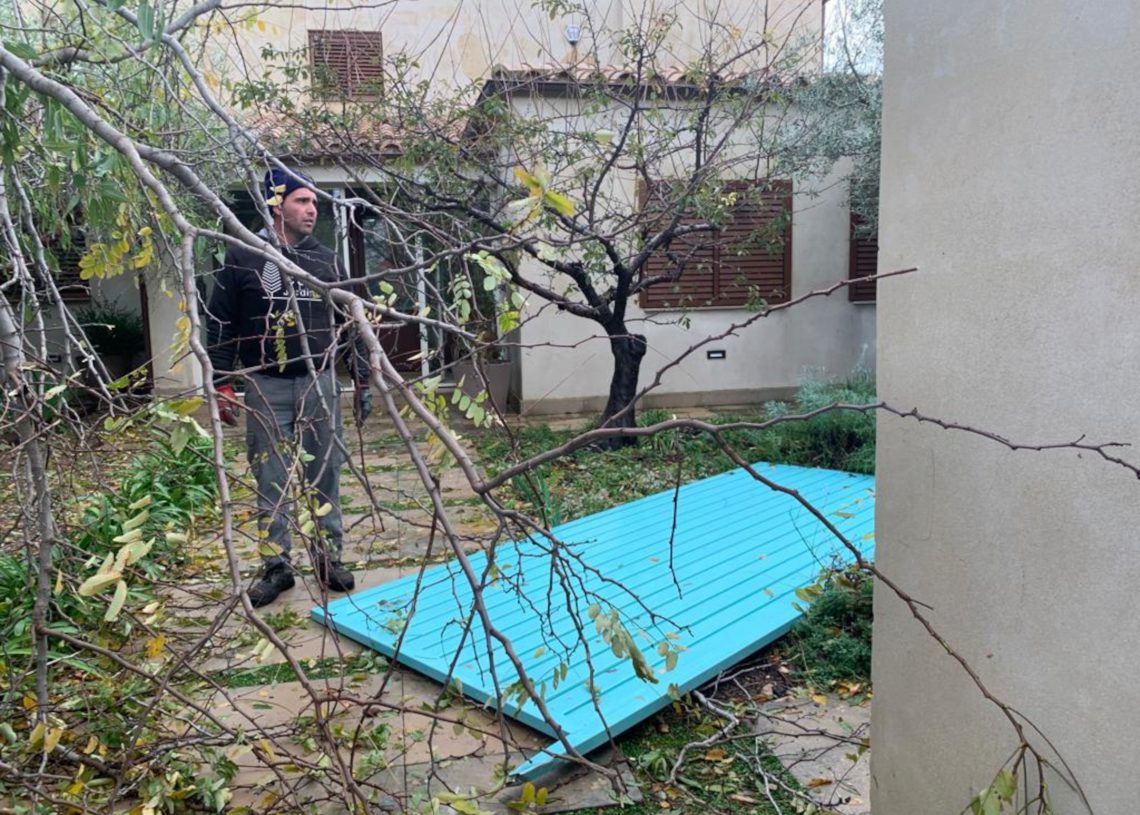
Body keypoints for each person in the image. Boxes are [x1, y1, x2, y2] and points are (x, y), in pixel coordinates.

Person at [206, 167, 372, 607]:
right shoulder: (244, 255)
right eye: (302, 201)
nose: (312, 209)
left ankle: (327, 557)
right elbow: (220, 324)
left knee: (325, 473)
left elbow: (351, 323)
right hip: (264, 385)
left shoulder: (325, 260)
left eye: (314, 202)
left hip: (319, 381)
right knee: (270, 479)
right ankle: (276, 566)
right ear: (276, 205)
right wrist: (222, 383)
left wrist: (361, 378)